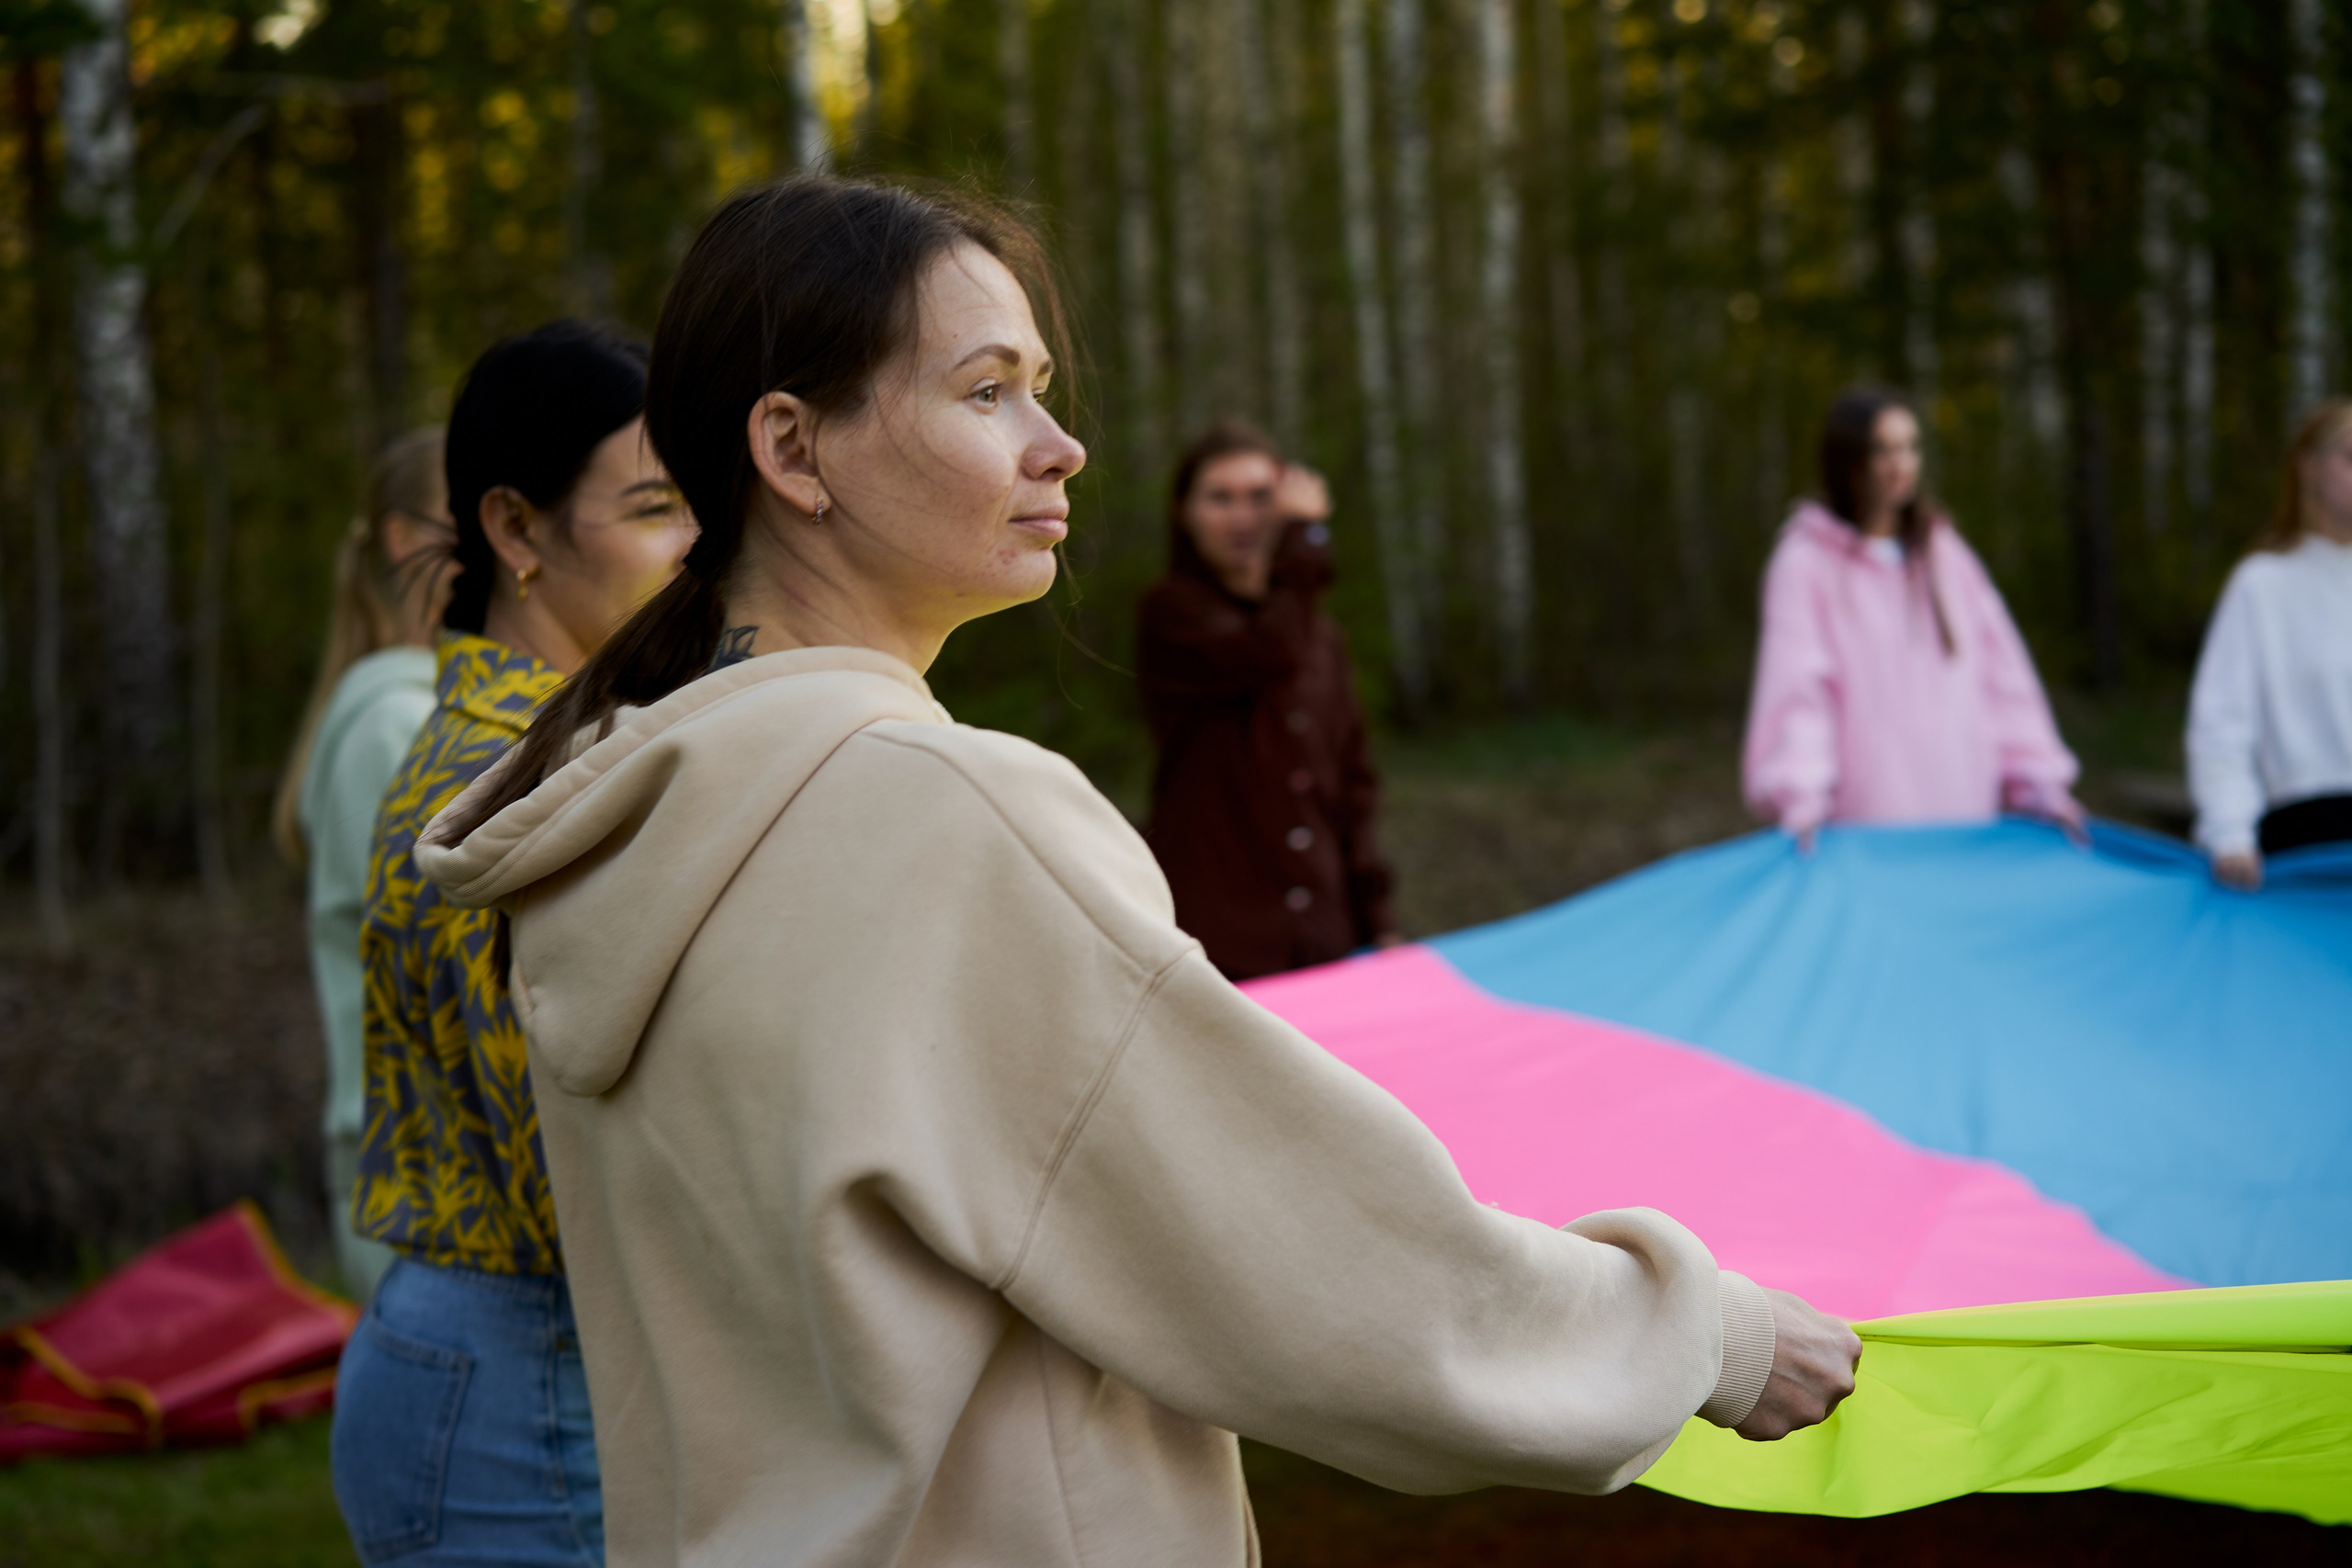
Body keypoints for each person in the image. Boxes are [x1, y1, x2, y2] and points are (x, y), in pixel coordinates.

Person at [414, 175, 1858, 1567]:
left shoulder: (621, 816)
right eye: (987, 392)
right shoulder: (938, 817)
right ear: (793, 453)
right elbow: (1314, 1256)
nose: (1060, 444)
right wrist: (1701, 1334)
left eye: (1041, 387)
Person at [331, 321, 695, 1567]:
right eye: (654, 505)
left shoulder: (556, 736)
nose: (700, 543)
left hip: (516, 1363)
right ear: (517, 529)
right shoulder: (522, 782)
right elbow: (576, 1170)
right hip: (525, 1387)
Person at [272, 426, 455, 1301]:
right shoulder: (396, 727)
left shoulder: (414, 711)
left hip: (422, 1188)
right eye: (488, 515)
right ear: (409, 540)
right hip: (422, 1198)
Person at [1743, 387, 2083, 844]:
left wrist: (2040, 783)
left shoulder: (1944, 554)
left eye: (1909, 447)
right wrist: (1800, 796)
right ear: (1847, 461)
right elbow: (1798, 692)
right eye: (1882, 450)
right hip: (1864, 830)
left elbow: (2004, 678)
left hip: (1963, 816)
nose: (1901, 464)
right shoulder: (1806, 564)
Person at [1137, 422, 1399, 979]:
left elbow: (1353, 784)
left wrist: (1377, 920)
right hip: (1217, 947)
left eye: (1261, 498)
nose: (1243, 518)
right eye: (1220, 498)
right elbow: (1266, 653)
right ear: (1183, 511)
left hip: (1324, 937)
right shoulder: (1171, 615)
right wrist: (1306, 540)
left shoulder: (1323, 638)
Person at [2188, 396, 2352, 888]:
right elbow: (2222, 722)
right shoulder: (2263, 585)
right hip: (2306, 842)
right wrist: (2230, 830)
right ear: (2309, 469)